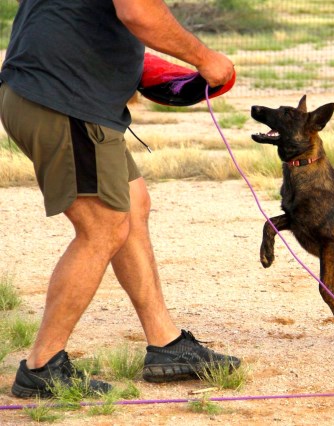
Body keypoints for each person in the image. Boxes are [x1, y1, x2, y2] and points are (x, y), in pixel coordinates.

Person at [0, 0, 241, 398]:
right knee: (102, 228)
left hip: (47, 91)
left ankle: (166, 344)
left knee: (132, 204)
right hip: (64, 100)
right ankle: (42, 365)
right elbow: (138, 11)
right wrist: (205, 58)